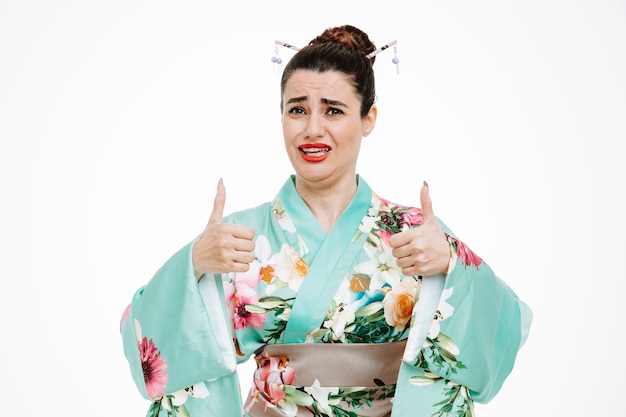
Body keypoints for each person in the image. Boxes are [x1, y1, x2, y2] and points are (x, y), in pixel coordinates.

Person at [120, 24, 532, 417]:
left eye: (333, 110)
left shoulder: (413, 234)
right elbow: (147, 347)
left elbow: (504, 334)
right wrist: (193, 264)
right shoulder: (238, 238)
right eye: (297, 110)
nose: (312, 129)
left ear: (367, 119)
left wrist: (452, 263)